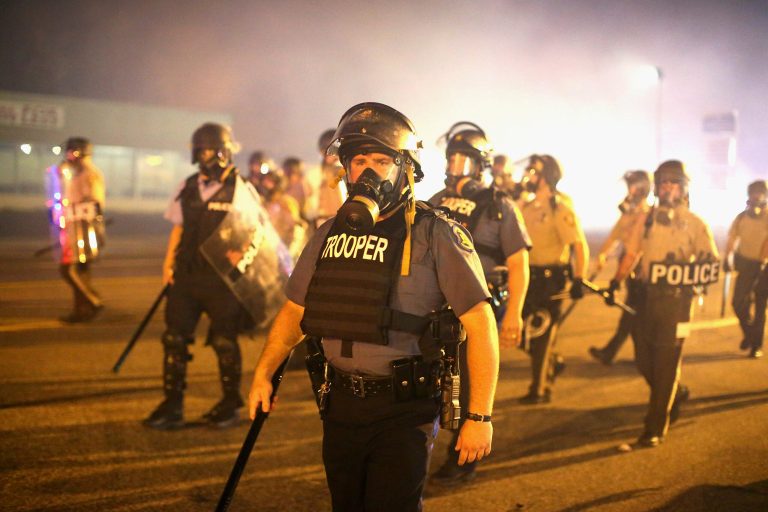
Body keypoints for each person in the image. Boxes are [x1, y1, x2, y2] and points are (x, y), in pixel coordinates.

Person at [248, 102, 498, 511]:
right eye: (359, 160)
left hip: (404, 410)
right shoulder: (328, 233)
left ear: (405, 170)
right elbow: (295, 311)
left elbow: (481, 323)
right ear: (344, 169)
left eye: (382, 160)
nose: (367, 171)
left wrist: (479, 416)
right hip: (340, 404)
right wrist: (263, 372)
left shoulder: (437, 234)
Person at [427, 122, 530, 483]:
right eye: (452, 161)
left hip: (477, 308)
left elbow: (518, 263)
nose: (456, 170)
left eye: (465, 162)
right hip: (437, 307)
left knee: (470, 383)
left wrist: (514, 312)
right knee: (435, 381)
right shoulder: (436, 201)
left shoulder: (501, 206)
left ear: (481, 166)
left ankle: (464, 456)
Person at [144, 123, 253, 430]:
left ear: (227, 151)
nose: (210, 157)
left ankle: (230, 404)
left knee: (223, 341)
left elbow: (257, 230)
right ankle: (172, 405)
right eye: (204, 151)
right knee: (174, 339)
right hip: (187, 276)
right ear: (196, 153)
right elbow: (178, 227)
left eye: (216, 150)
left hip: (222, 281)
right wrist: (168, 265)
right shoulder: (188, 186)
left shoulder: (241, 189)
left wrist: (241, 256)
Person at [608, 160, 718, 448]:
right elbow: (632, 251)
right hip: (646, 298)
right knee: (644, 360)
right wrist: (616, 280)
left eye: (674, 182)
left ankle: (655, 427)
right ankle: (675, 393)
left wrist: (697, 274)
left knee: (667, 363)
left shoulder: (695, 224)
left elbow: (710, 260)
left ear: (683, 188)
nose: (668, 187)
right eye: (664, 182)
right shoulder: (646, 219)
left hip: (678, 303)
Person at [517, 154, 589, 404]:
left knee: (543, 335)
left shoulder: (560, 209)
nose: (529, 176)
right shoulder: (526, 206)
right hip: (528, 278)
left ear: (546, 177)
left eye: (534, 172)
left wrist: (578, 278)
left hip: (551, 280)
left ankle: (539, 389)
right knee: (523, 334)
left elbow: (578, 246)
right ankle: (552, 362)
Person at [589, 170, 651, 365]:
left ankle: (642, 358)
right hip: (628, 268)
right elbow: (614, 236)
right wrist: (601, 255)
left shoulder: (646, 215)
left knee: (635, 315)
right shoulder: (629, 213)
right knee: (634, 315)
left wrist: (616, 280)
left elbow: (634, 252)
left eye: (632, 186)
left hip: (641, 271)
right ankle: (623, 353)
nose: (629, 190)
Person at [45, 136, 106, 323]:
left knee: (68, 269)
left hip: (82, 228)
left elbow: (94, 202)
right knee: (81, 271)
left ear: (80, 152)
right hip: (77, 226)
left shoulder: (88, 173)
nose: (68, 155)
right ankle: (81, 311)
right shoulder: (75, 172)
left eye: (71, 151)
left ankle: (93, 301)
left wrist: (72, 212)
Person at [724, 180, 768, 359]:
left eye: (760, 192)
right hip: (746, 265)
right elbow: (731, 238)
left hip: (764, 267)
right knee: (738, 303)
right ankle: (750, 334)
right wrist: (727, 258)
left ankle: (756, 345)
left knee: (759, 307)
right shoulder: (741, 217)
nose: (756, 196)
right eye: (753, 192)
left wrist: (763, 260)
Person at [252, 167, 307, 260]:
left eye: (269, 182)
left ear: (278, 184)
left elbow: (297, 228)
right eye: (264, 182)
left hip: (288, 255)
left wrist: (287, 255)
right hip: (267, 253)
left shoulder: (287, 202)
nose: (265, 185)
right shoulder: (262, 204)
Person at [315, 128, 347, 226]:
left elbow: (334, 185)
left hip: (339, 219)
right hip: (327, 220)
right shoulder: (323, 172)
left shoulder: (342, 170)